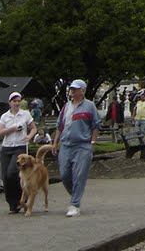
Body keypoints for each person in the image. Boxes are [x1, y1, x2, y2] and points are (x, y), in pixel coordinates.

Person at [54, 79, 100, 217]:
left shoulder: (89, 106)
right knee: (64, 173)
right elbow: (59, 126)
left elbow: (96, 125)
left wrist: (92, 142)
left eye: (75, 89)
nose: (72, 91)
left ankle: (75, 204)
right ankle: (75, 195)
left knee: (79, 175)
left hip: (82, 145)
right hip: (66, 145)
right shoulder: (65, 107)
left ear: (83, 90)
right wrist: (55, 142)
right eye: (71, 89)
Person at [0, 91, 37, 214]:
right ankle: (12, 204)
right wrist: (13, 128)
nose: (17, 103)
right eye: (14, 101)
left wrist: (29, 136)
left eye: (18, 101)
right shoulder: (5, 116)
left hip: (20, 147)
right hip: (7, 146)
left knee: (12, 173)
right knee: (5, 176)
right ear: (9, 103)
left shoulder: (25, 114)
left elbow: (34, 128)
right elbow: (0, 132)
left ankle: (22, 199)